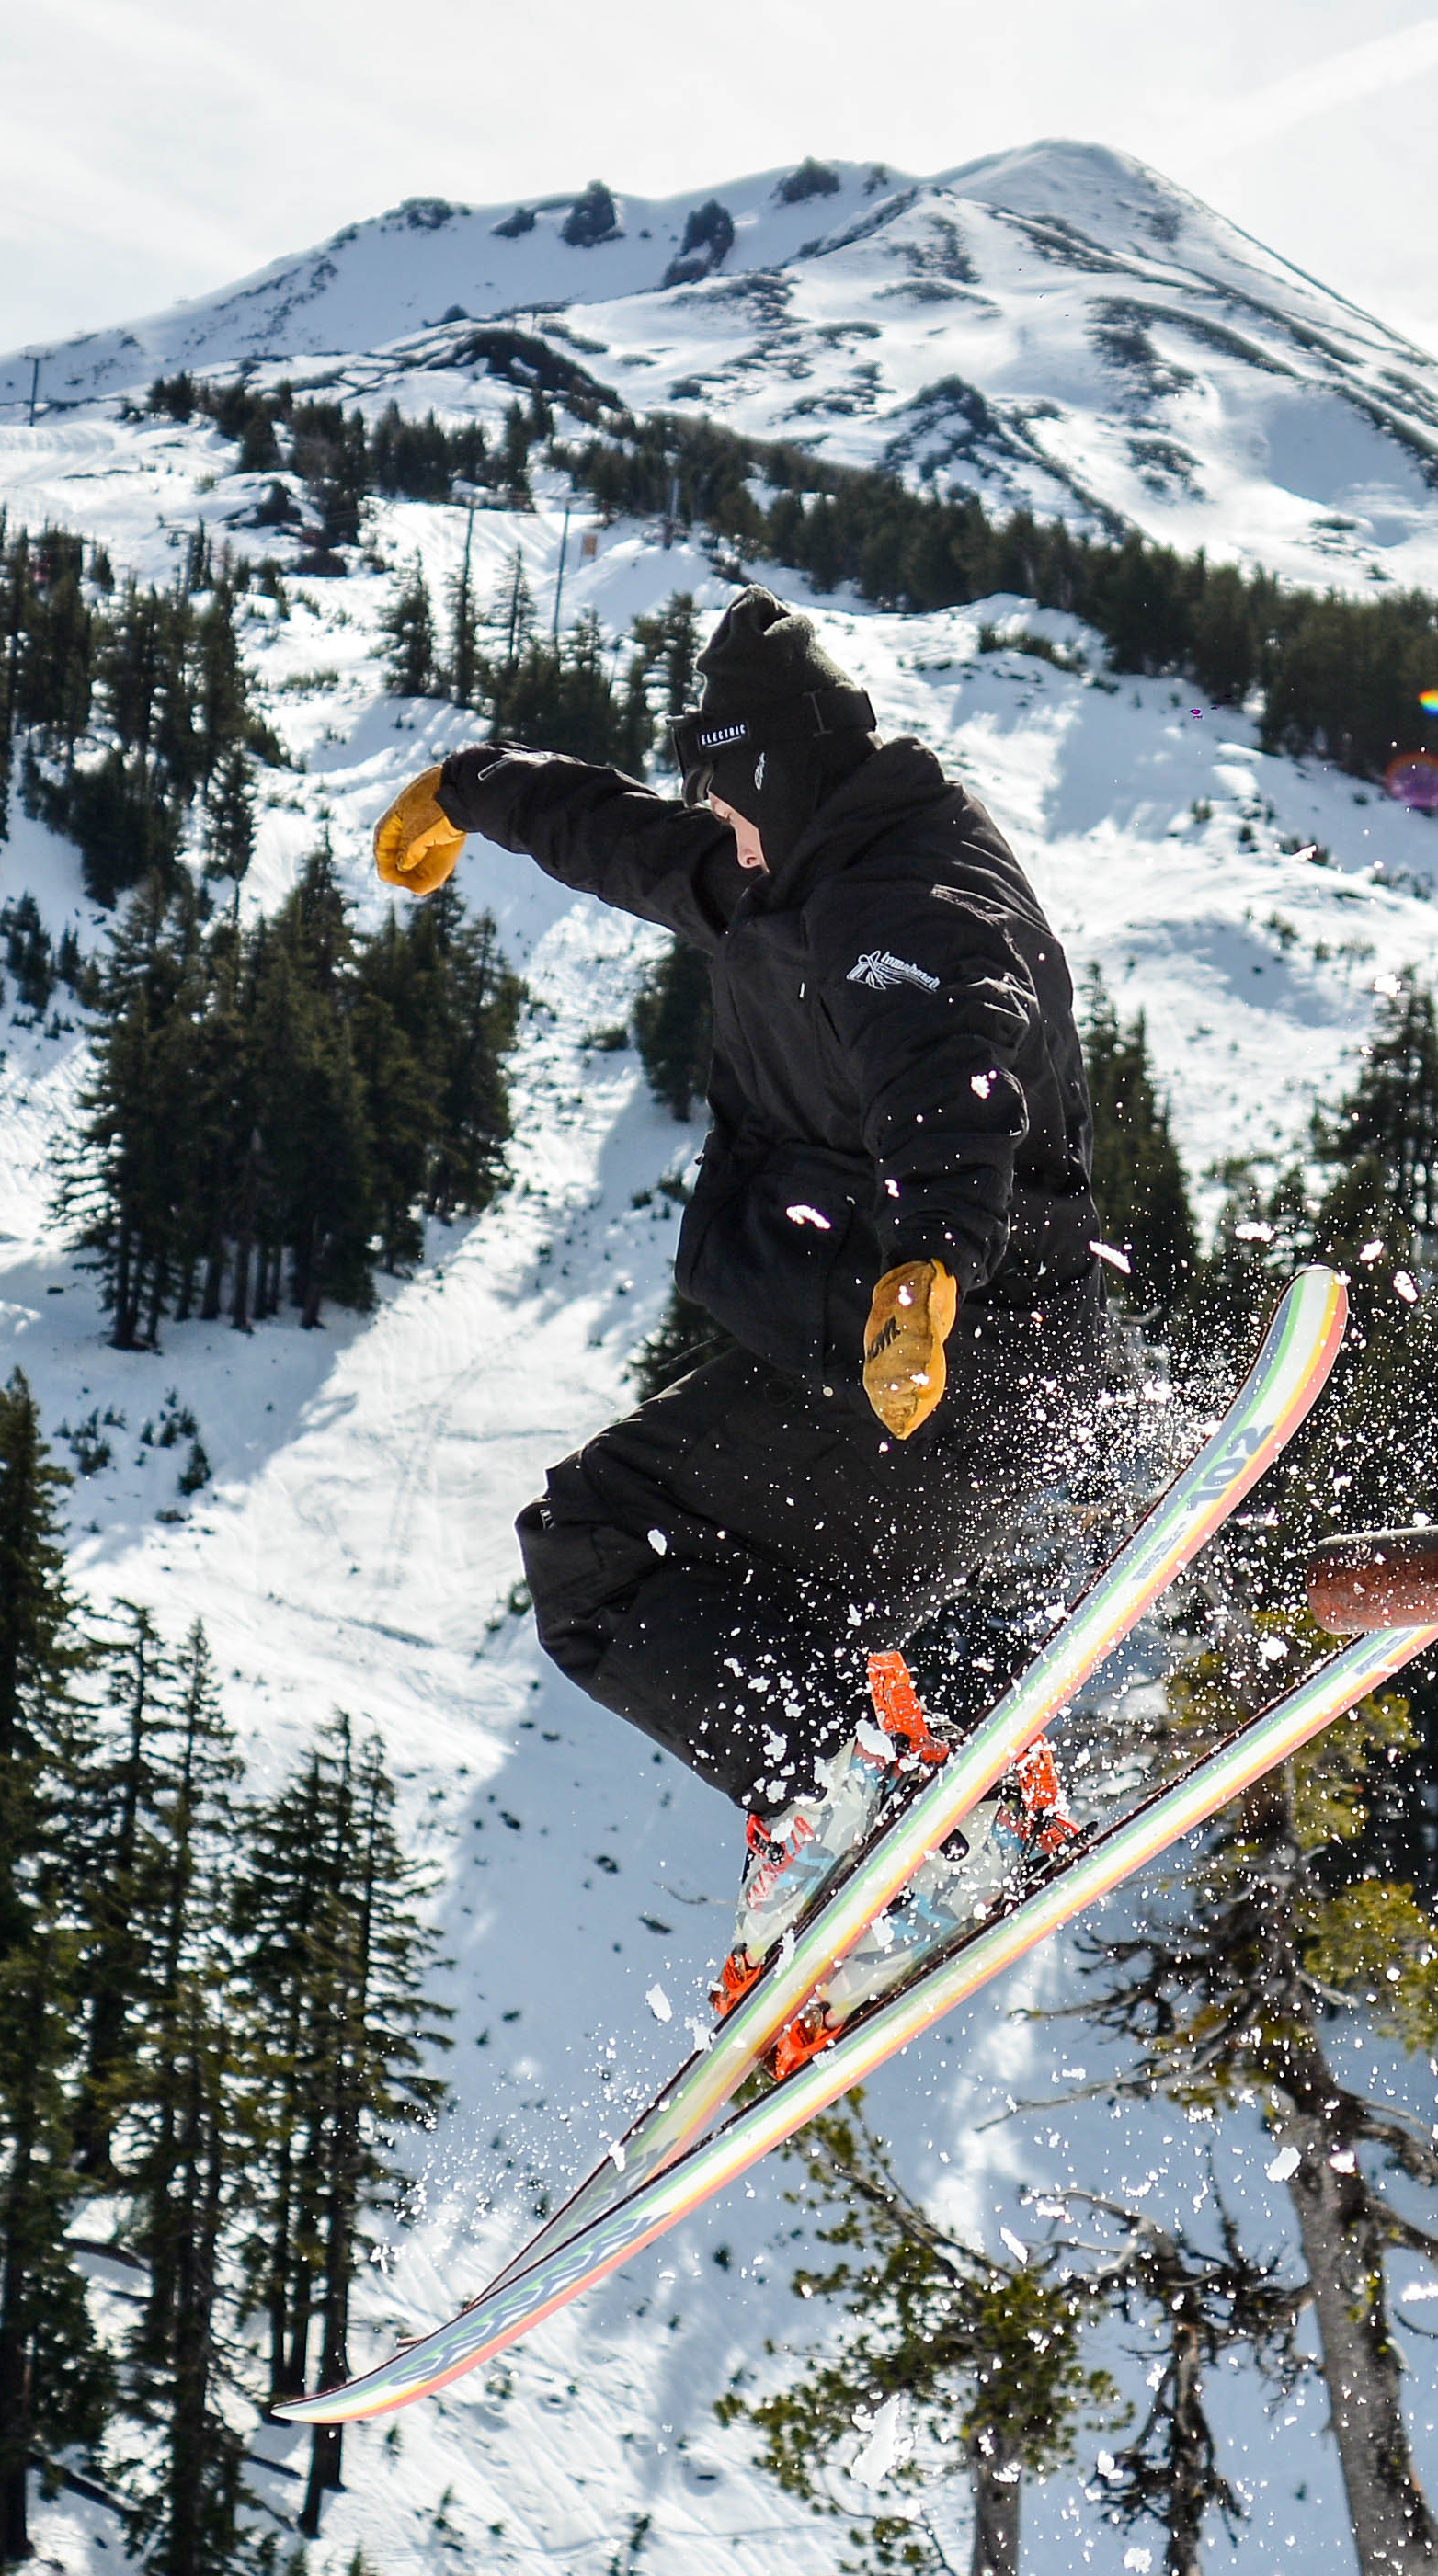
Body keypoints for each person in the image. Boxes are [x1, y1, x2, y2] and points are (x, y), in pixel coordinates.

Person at [371, 586, 1118, 2021]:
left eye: (725, 797)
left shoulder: (908, 903)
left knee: (598, 1549)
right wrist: (470, 791)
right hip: (942, 1371)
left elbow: (956, 1075)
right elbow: (623, 837)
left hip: (941, 1363)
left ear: (769, 775)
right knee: (762, 1593)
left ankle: (855, 1792)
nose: (710, 827)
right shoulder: (789, 866)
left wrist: (929, 1272)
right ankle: (929, 1770)